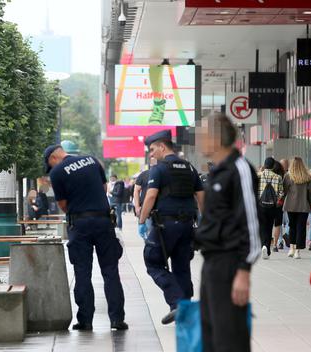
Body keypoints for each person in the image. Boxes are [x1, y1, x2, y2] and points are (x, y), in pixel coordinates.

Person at [192, 113, 260, 352]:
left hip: (232, 264)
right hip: (211, 264)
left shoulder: (239, 169)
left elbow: (251, 225)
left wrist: (244, 270)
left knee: (231, 340)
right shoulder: (215, 171)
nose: (198, 140)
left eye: (202, 134)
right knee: (212, 339)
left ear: (217, 137)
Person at [44, 144, 127, 331]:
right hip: (103, 221)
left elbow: (63, 205)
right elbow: (104, 188)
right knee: (110, 271)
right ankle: (117, 319)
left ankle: (85, 320)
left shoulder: (57, 172)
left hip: (80, 225)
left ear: (53, 158)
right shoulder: (92, 160)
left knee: (82, 272)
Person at [138, 130, 205, 325]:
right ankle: (186, 310)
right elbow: (201, 197)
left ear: (162, 146)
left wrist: (142, 220)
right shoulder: (190, 168)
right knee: (181, 266)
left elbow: (150, 196)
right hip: (187, 225)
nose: (151, 154)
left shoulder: (159, 169)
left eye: (152, 150)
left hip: (165, 225)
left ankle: (177, 303)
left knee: (153, 262)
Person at [283, 157, 311, 259]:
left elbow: (284, 190)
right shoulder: (308, 177)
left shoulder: (288, 176)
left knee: (292, 226)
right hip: (303, 206)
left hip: (290, 205)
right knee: (301, 228)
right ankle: (298, 251)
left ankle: (291, 248)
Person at [257, 157, 283, 259]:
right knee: (269, 226)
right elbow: (281, 193)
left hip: (260, 205)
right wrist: (277, 201)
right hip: (272, 206)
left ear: (264, 165)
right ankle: (267, 248)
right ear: (273, 166)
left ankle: (263, 245)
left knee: (262, 226)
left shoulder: (259, 175)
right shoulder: (278, 177)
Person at [134, 158, 157, 240]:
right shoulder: (144, 175)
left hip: (161, 209)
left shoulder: (164, 173)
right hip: (147, 209)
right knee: (149, 234)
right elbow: (136, 191)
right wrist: (137, 207)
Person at [271, 159, 286, 252]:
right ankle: (275, 245)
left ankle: (265, 243)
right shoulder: (281, 177)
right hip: (278, 204)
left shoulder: (265, 176)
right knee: (277, 224)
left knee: (268, 223)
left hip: (266, 203)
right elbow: (282, 192)